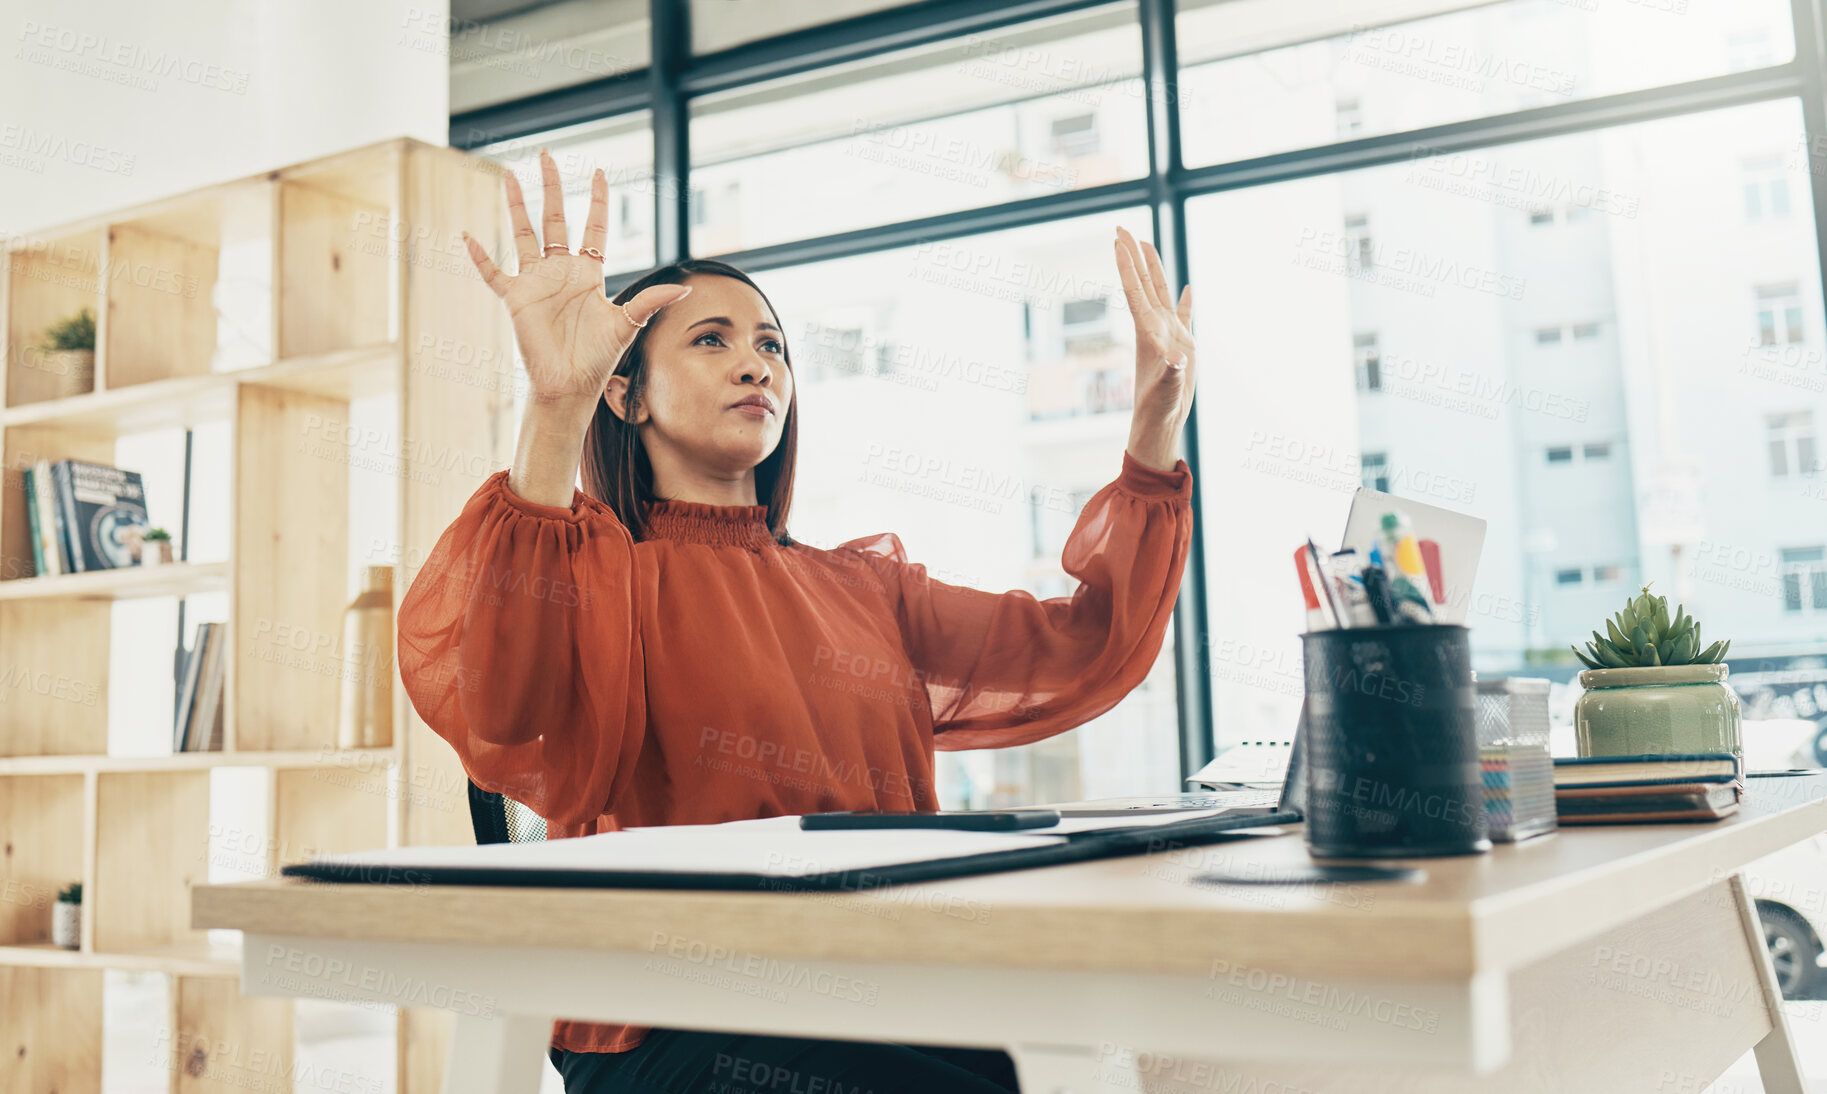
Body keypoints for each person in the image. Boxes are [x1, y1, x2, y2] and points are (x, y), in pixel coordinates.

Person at [397, 147, 1200, 1094]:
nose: (754, 363)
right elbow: (505, 702)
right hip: (679, 1018)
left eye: (771, 345)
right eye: (710, 340)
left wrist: (1152, 432)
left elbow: (1082, 643)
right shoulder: (595, 576)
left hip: (878, 991)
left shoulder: (866, 590)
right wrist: (556, 409)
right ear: (627, 391)